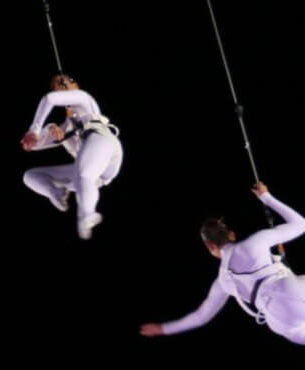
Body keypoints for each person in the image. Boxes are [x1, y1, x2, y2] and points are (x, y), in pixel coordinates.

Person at [140, 183, 305, 345]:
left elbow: (201, 316)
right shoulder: (254, 243)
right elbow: (301, 224)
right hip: (286, 289)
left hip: (279, 320)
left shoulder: (223, 282)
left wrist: (162, 329)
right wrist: (266, 198)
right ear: (232, 234)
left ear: (210, 246)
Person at [19, 74, 123, 240]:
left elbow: (49, 99)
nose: (65, 84)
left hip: (105, 145)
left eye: (68, 80)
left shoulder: (84, 99)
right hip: (97, 176)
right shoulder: (65, 128)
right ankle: (57, 192)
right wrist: (47, 129)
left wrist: (35, 128)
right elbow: (35, 145)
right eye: (59, 84)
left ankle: (87, 214)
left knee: (84, 173)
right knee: (30, 176)